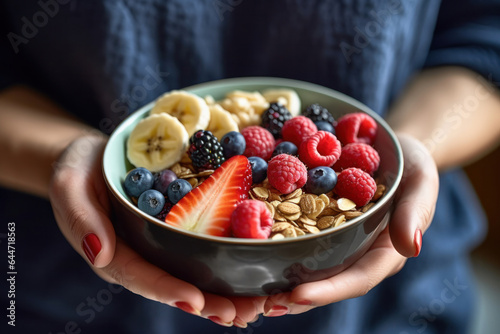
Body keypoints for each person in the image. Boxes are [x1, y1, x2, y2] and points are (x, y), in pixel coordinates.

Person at [1, 0, 499, 333]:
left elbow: (486, 30)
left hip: (393, 310)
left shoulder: (310, 171)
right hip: (68, 304)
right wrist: (63, 155)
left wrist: (411, 145)